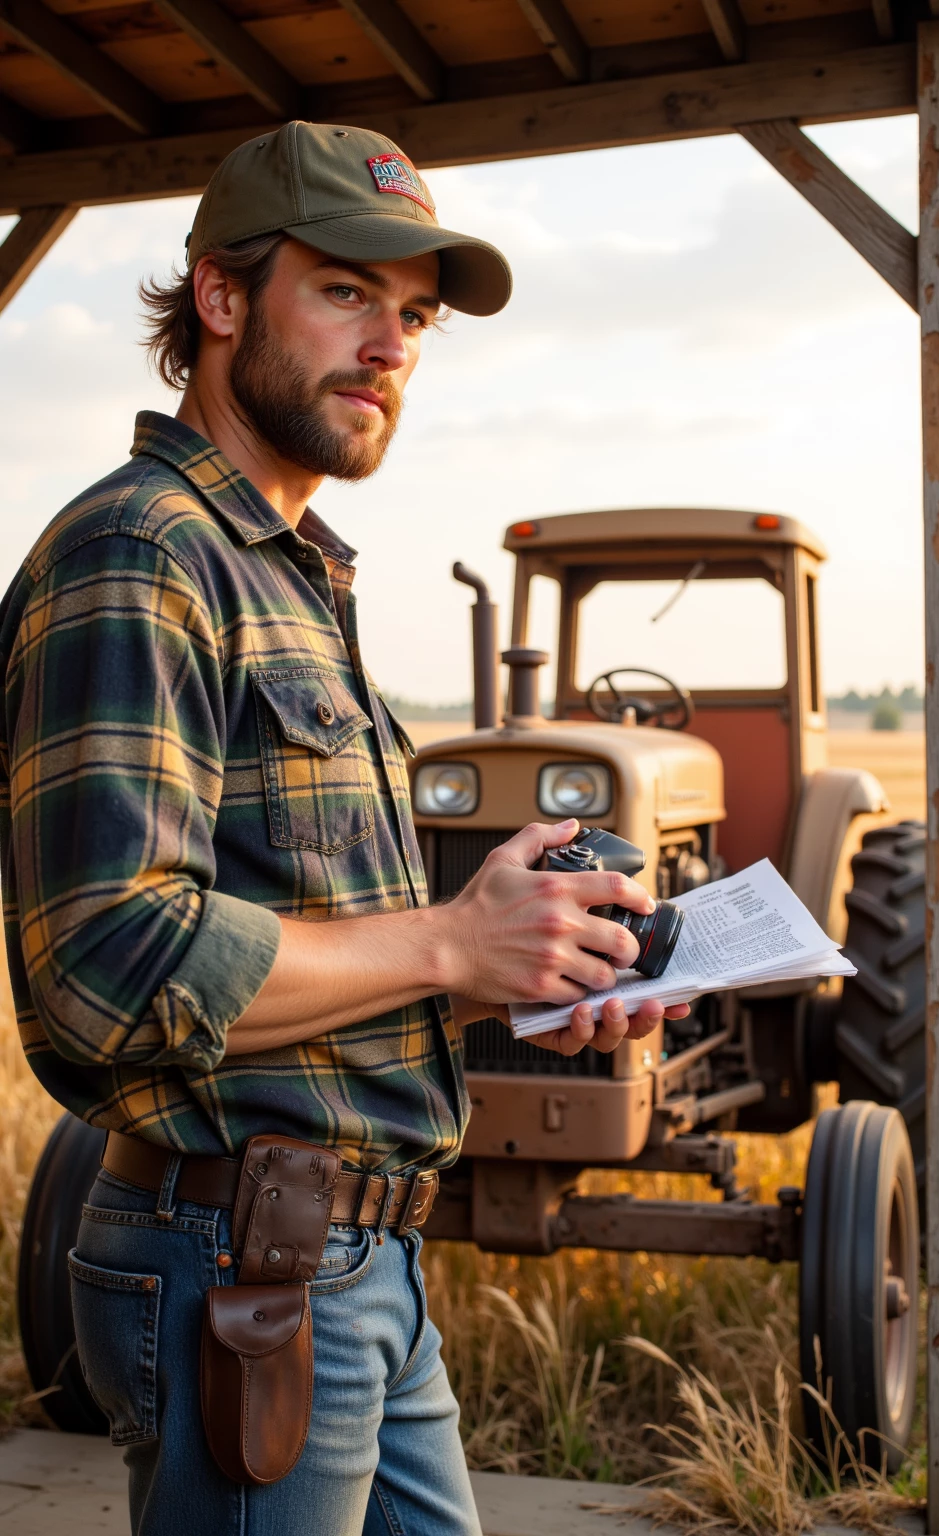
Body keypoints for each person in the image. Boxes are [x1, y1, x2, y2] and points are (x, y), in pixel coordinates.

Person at [0, 122, 688, 1536]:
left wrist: (527, 981)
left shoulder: (293, 580)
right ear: (222, 298)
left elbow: (338, 965)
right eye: (347, 293)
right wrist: (448, 938)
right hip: (238, 1264)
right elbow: (108, 970)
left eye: (416, 315)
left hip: (358, 1267)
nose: (392, 345)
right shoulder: (142, 555)